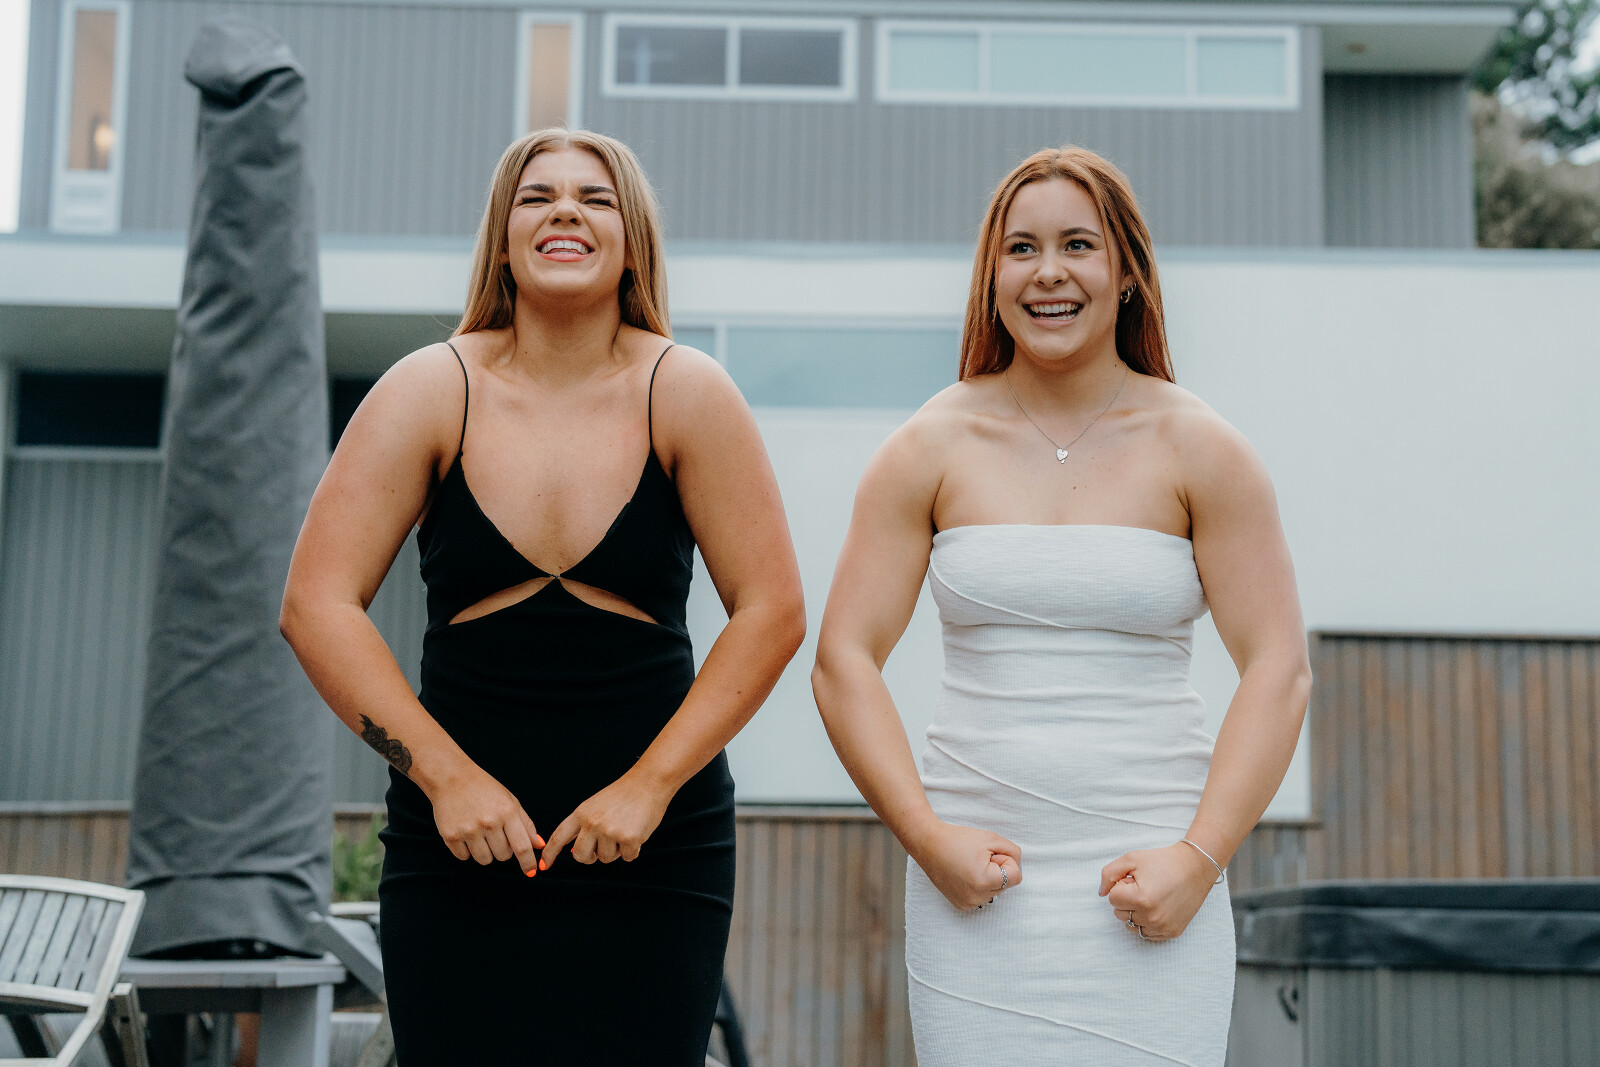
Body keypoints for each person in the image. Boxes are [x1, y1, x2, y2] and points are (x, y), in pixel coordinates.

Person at [280, 128, 805, 1064]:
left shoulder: (687, 390)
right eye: (538, 196)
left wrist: (648, 788)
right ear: (503, 238)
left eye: (595, 198)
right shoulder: (429, 388)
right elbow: (316, 604)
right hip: (453, 846)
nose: (565, 210)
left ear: (632, 241)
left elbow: (772, 610)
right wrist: (447, 780)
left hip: (657, 847)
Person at [811, 146, 1311, 1065]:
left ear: (1127, 273)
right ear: (991, 275)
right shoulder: (927, 446)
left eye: (1078, 245)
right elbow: (843, 659)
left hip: (1160, 882)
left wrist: (1198, 858)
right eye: (1022, 249)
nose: (1048, 272)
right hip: (975, 891)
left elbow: (1279, 669)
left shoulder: (1204, 449)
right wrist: (928, 839)